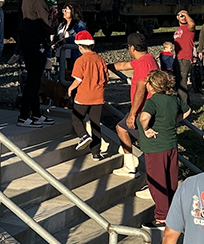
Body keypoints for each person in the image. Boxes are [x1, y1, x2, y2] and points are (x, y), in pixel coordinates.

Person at [138, 70, 191, 227]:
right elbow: (187, 110)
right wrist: (175, 121)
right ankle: (173, 212)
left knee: (157, 182)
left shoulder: (152, 101)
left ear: (152, 85)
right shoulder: (173, 99)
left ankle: (162, 217)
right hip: (171, 145)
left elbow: (144, 117)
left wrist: (146, 129)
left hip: (156, 147)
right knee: (171, 180)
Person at [110, 32, 158, 178]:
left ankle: (151, 179)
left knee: (150, 147)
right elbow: (124, 65)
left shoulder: (143, 64)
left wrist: (132, 114)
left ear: (131, 48)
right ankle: (130, 166)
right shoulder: (147, 59)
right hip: (148, 108)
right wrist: (106, 66)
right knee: (121, 127)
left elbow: (140, 91)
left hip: (143, 111)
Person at [16, 0, 54, 128]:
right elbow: (48, 24)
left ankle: (36, 113)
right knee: (34, 80)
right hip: (37, 42)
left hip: (26, 40)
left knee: (32, 79)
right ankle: (24, 115)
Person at [66, 30, 106, 160]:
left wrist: (70, 89)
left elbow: (78, 79)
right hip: (98, 97)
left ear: (80, 47)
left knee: (76, 117)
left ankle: (83, 135)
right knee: (96, 124)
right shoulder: (100, 60)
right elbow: (106, 79)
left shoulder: (80, 61)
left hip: (83, 96)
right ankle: (96, 153)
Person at [173, 10, 196, 95]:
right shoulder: (178, 29)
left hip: (185, 58)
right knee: (176, 82)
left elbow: (192, 24)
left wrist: (185, 14)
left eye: (185, 16)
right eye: (181, 15)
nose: (183, 17)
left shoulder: (189, 28)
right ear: (177, 17)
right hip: (178, 57)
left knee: (182, 83)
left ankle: (185, 105)